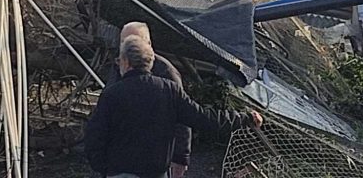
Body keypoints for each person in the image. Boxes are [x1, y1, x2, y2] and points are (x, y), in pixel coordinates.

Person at [85, 35, 262, 178]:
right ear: (151, 62)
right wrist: (244, 118)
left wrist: (103, 167)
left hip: (120, 171)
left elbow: (95, 134)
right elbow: (204, 118)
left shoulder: (113, 94)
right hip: (156, 171)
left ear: (125, 62)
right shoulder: (170, 90)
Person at [108, 22, 191, 178]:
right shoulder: (116, 68)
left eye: (133, 42)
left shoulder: (166, 72)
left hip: (154, 163)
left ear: (148, 44)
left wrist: (180, 157)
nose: (127, 48)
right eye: (123, 43)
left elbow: (183, 117)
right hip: (121, 163)